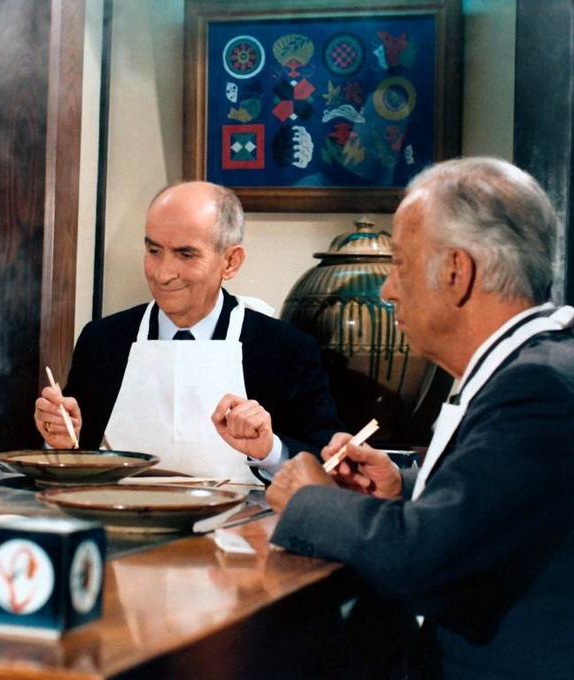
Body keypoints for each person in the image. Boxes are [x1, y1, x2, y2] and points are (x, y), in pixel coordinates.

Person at [225, 157, 574, 677]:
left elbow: (429, 559)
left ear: (456, 272)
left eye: (400, 266)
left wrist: (310, 500)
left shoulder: (538, 389)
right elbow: (496, 505)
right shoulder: (538, 366)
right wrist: (402, 486)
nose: (388, 290)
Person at [33, 181, 340, 484]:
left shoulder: (285, 349)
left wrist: (270, 451)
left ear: (230, 262)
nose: (163, 274)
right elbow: (77, 458)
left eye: (186, 254)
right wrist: (60, 442)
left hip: (243, 516)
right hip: (119, 512)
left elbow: (329, 463)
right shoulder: (102, 340)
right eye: (154, 250)